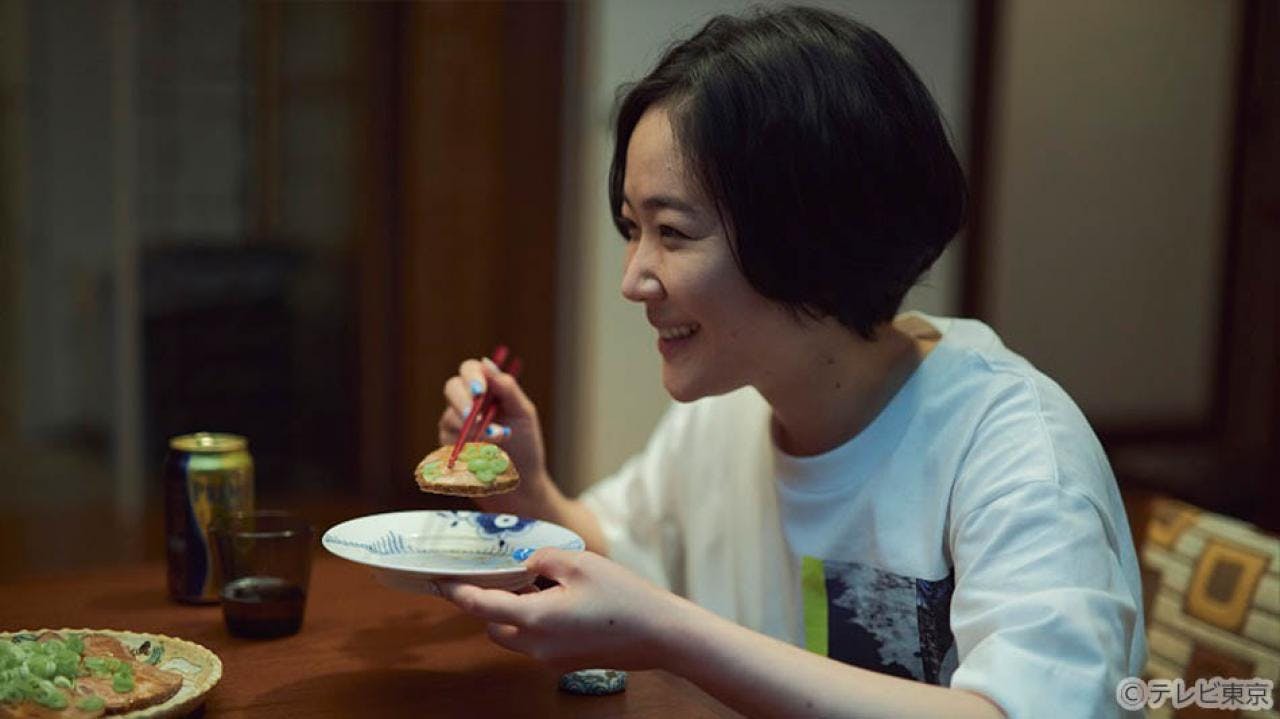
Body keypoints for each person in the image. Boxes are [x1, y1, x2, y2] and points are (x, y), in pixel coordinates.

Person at [434, 7, 1145, 718]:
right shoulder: (729, 408)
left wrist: (673, 633)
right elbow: (615, 557)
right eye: (631, 228)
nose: (633, 278)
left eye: (672, 232)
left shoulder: (1013, 450)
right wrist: (526, 492)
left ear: (811, 234)